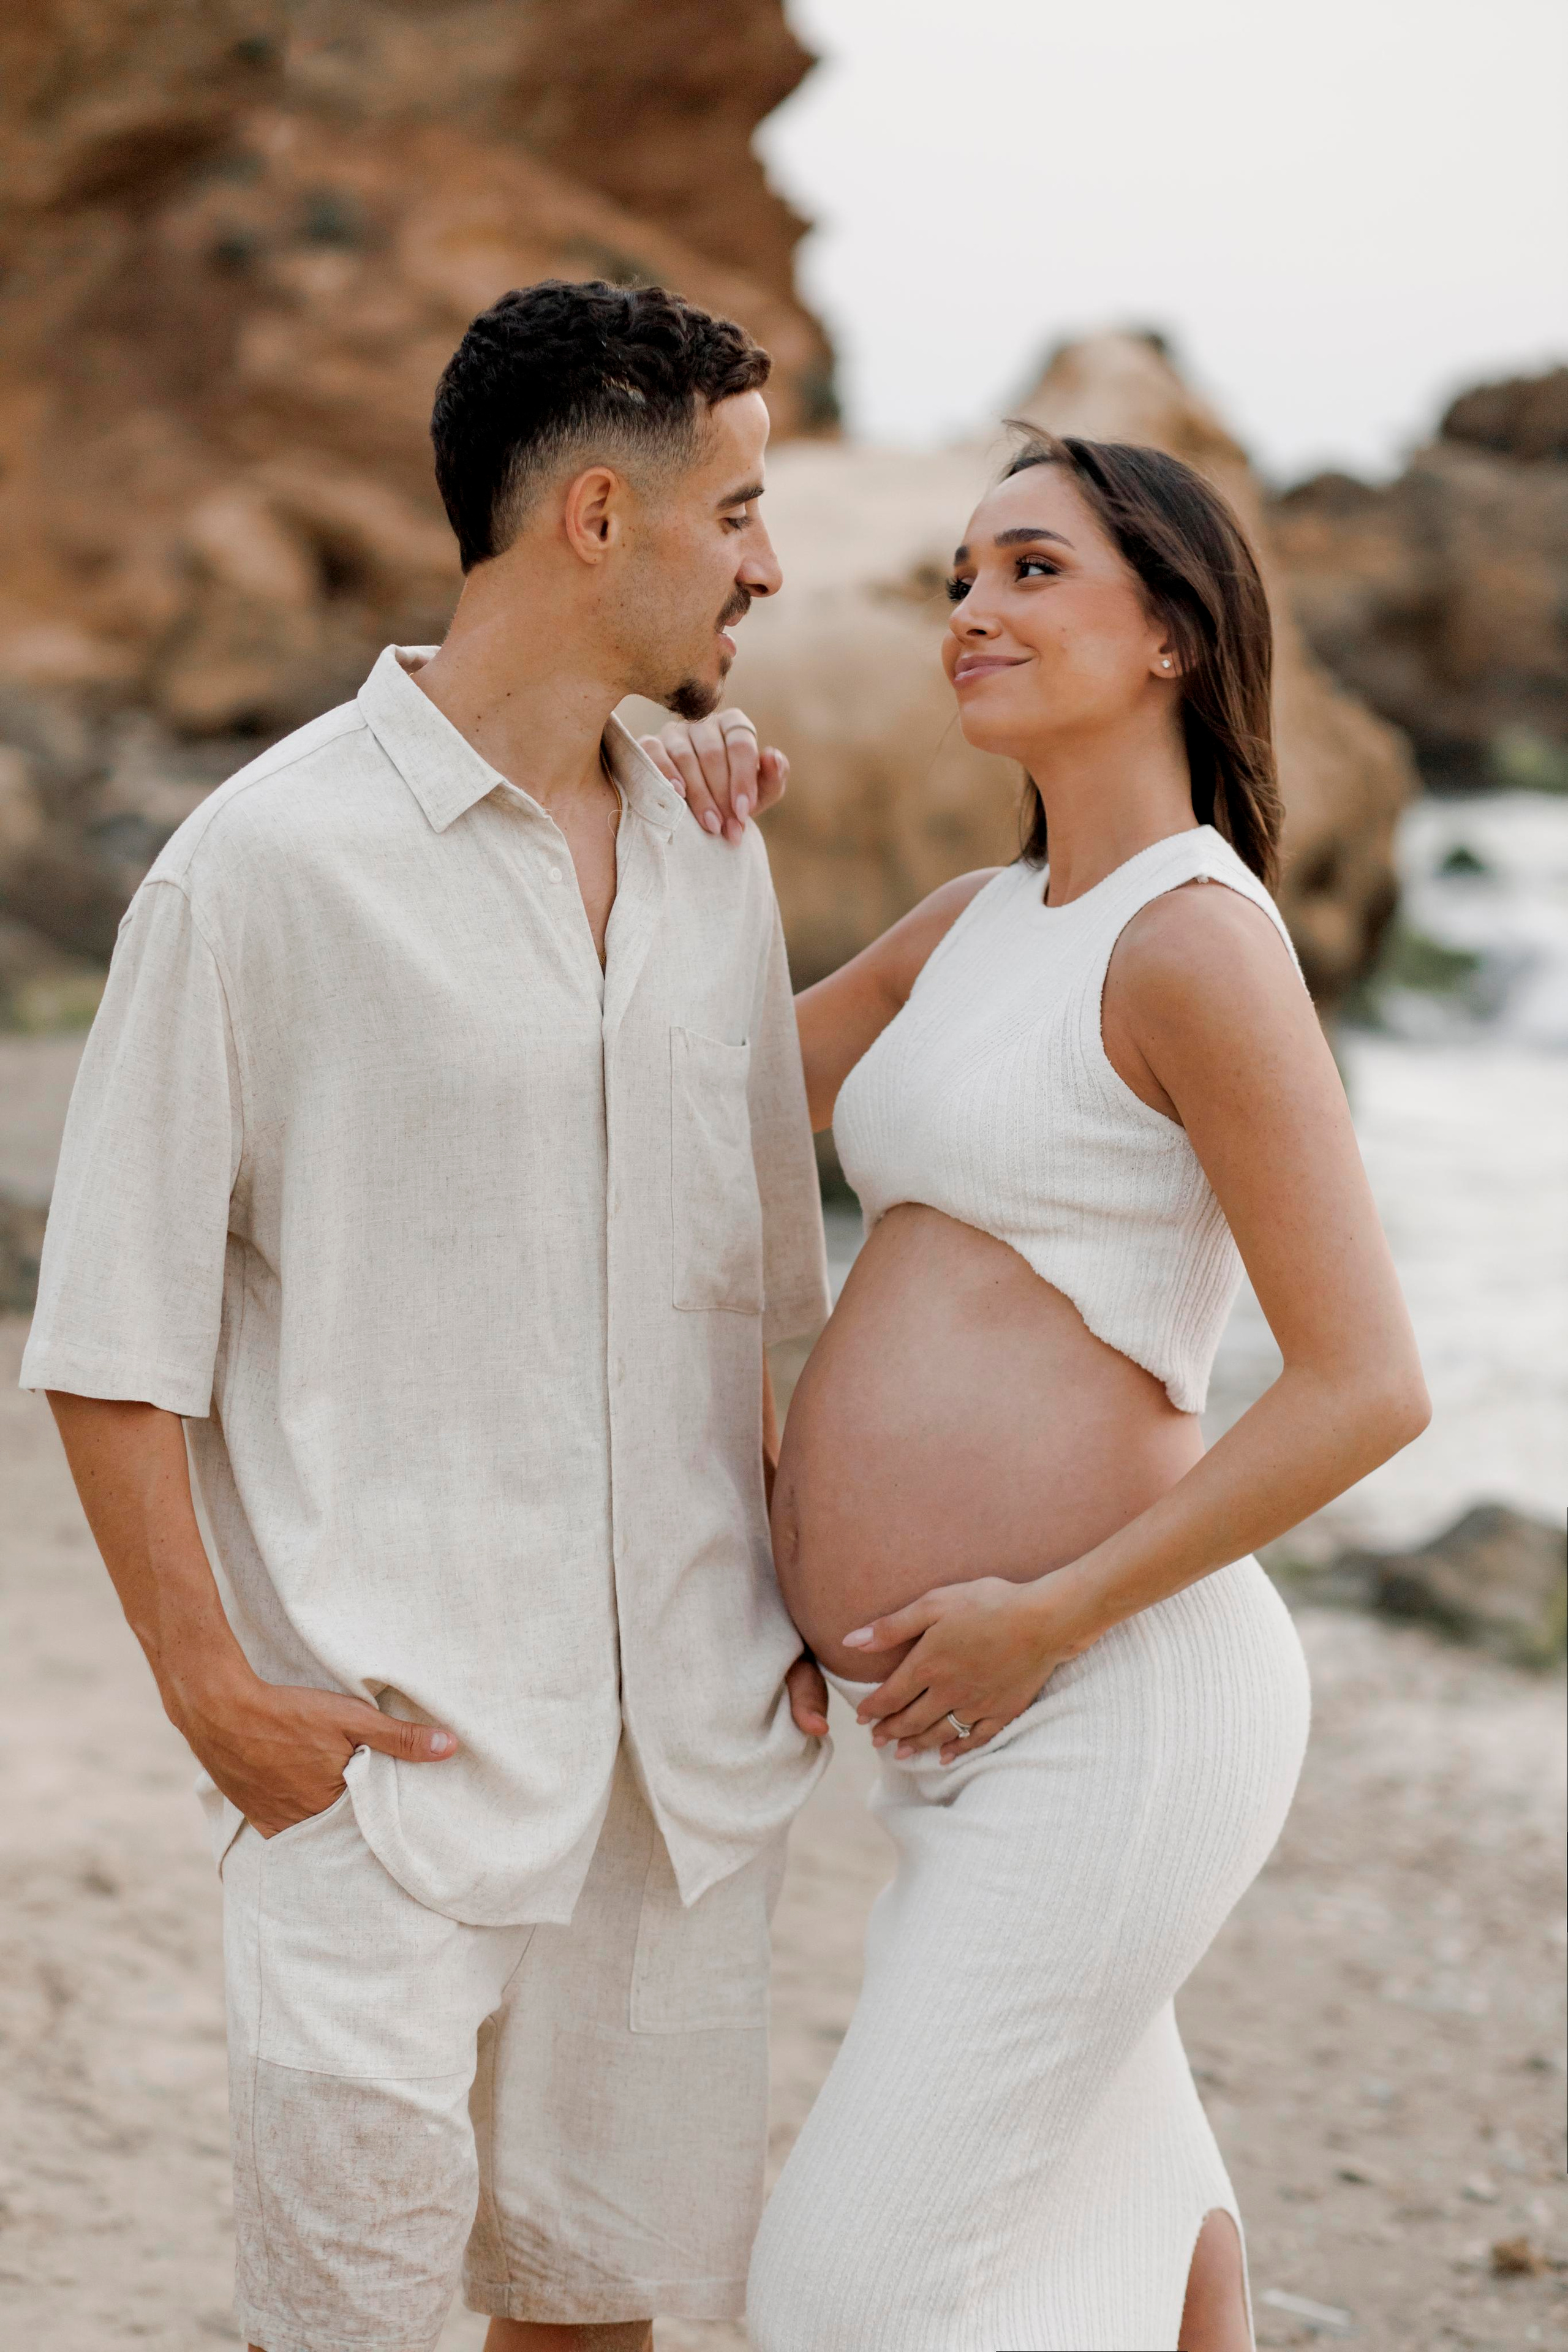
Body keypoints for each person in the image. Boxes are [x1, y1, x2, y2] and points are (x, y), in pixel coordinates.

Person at [22, 279, 835, 2352]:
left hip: (682, 1774)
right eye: (735, 508)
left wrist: (815, 1606)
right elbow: (111, 1337)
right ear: (593, 516)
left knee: (599, 2321)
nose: (770, 559)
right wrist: (220, 1702)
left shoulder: (711, 849)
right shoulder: (257, 872)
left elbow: (764, 1290)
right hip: (380, 1763)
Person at [644, 429, 1431, 2352]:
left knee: (845, 2293)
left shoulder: (1197, 943)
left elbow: (1366, 1387)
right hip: (962, 1720)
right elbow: (664, 1097)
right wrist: (679, 827)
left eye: (1033, 570)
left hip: (1112, 1696)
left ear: (1173, 628)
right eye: (961, 580)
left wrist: (1045, 1619)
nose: (975, 611)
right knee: (1114, 2227)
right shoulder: (973, 928)